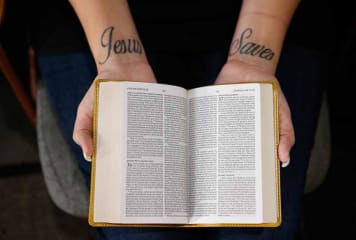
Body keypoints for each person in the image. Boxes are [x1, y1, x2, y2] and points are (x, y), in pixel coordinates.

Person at [31, 0, 328, 239]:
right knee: (136, 229)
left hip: (265, 18)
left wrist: (252, 62)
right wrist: (119, 61)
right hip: (97, 18)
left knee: (259, 228)